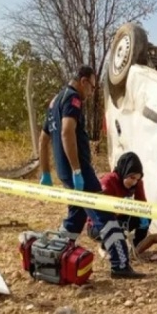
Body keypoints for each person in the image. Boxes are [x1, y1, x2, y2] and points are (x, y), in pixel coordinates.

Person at [38, 65, 145, 279]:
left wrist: (46, 172)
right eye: (92, 86)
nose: (91, 92)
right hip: (79, 172)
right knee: (105, 215)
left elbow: (43, 139)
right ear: (83, 81)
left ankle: (53, 255)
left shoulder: (54, 101)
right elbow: (67, 132)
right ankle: (120, 265)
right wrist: (77, 170)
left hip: (64, 172)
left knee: (76, 216)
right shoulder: (72, 100)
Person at [89, 151, 157, 257]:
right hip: (98, 224)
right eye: (132, 178)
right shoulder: (108, 182)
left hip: (118, 216)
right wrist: (121, 209)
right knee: (119, 227)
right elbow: (98, 213)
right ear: (124, 171)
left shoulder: (137, 184)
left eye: (137, 179)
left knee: (145, 218)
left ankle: (136, 249)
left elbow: (142, 205)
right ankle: (104, 247)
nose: (134, 182)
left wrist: (142, 217)